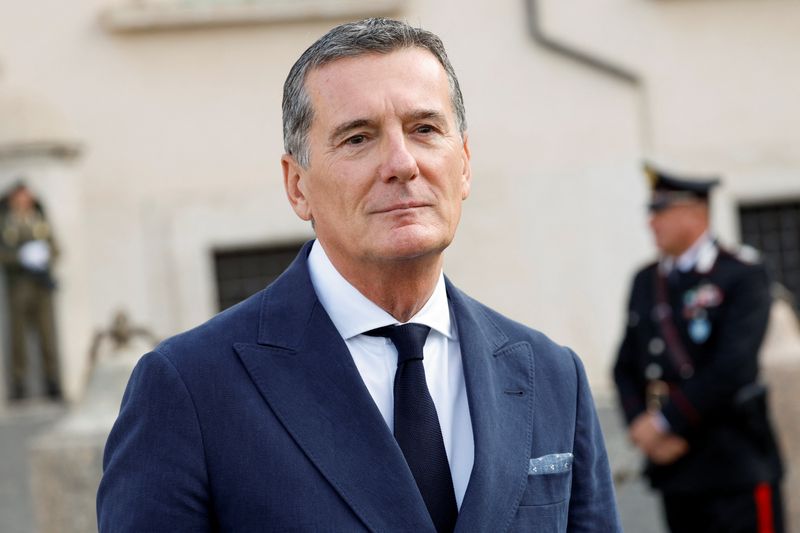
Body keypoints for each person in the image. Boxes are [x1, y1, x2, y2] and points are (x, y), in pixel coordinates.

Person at [98, 18, 620, 532]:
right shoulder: (189, 388)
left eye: (424, 129)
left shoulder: (552, 377)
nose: (401, 163)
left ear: (463, 164)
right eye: (357, 138)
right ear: (297, 185)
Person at [613, 163, 784, 532]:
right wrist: (640, 427)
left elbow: (733, 367)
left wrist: (663, 423)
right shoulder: (646, 280)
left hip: (733, 466)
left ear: (694, 212)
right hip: (677, 472)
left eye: (661, 211)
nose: (651, 223)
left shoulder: (741, 274)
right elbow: (624, 366)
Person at [0, 181, 62, 401]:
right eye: (19, 197)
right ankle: (18, 384)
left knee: (47, 334)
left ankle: (52, 380)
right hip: (18, 286)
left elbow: (55, 248)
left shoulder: (39, 219)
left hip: (40, 287)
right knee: (18, 338)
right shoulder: (6, 221)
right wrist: (20, 257)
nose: (23, 201)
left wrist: (45, 255)